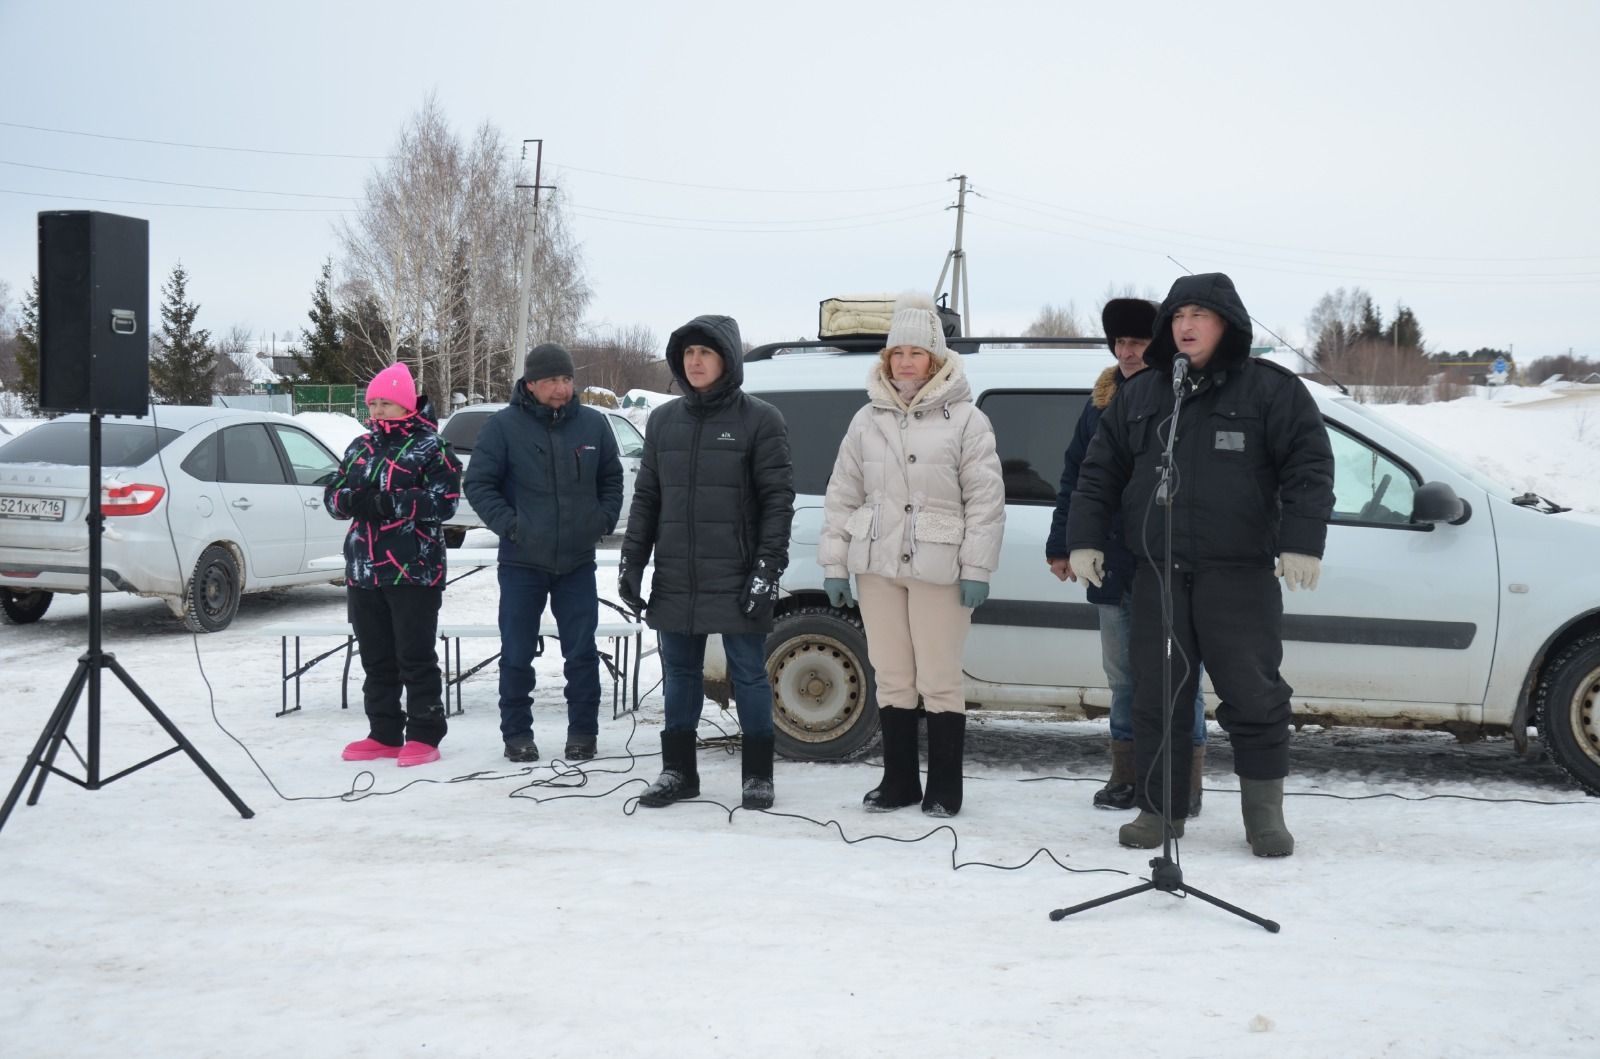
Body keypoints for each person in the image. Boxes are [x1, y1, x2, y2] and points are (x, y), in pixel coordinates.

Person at [1066, 273, 1333, 856]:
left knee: (1255, 696)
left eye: (1200, 315)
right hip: (1157, 576)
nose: (1186, 325)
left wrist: (1302, 541)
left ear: (1227, 324)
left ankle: (1264, 817)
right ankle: (1160, 812)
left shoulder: (1271, 390)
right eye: (1178, 315)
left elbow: (1309, 467)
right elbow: (1098, 473)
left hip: (1237, 577)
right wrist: (1082, 538)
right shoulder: (1142, 393)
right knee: (1155, 697)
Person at [818, 292, 1005, 817]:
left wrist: (977, 569)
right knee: (893, 674)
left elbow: (987, 502)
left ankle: (945, 788)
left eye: (916, 353)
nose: (905, 362)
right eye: (896, 352)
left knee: (939, 678)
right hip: (876, 565)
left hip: (939, 567)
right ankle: (899, 782)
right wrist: (835, 563)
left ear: (936, 359)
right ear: (887, 358)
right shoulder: (866, 419)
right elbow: (842, 494)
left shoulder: (967, 421)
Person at [619, 314, 794, 811]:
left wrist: (767, 568)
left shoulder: (761, 419)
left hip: (737, 572)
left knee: (750, 675)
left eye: (706, 353)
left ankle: (758, 775)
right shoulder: (663, 420)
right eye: (688, 353)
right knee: (679, 674)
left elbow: (777, 502)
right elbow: (647, 498)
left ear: (727, 360)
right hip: (678, 574)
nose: (695, 361)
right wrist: (632, 562)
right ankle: (678, 772)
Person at [1045, 298, 1210, 816]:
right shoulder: (1098, 404)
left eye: (1137, 342)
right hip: (1111, 564)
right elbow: (1076, 478)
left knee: (1179, 676)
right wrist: (1062, 543)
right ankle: (1127, 776)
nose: (1127, 351)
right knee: (1123, 678)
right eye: (1119, 343)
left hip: (1167, 564)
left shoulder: (1178, 397)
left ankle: (1186, 780)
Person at [464, 343, 624, 763]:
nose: (561, 389)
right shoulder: (503, 427)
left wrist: (602, 519)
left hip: (576, 562)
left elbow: (612, 478)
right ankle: (517, 734)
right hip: (521, 562)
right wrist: (512, 526)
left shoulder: (593, 425)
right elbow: (478, 485)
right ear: (531, 383)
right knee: (517, 652)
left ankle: (583, 734)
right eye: (552, 380)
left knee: (582, 652)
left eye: (567, 379)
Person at [327, 361, 463, 768]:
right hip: (364, 571)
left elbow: (445, 503)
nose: (379, 410)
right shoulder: (359, 446)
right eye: (374, 403)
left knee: (414, 656)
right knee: (375, 657)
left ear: (406, 404)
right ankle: (384, 731)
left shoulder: (432, 447)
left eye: (387, 402)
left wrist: (392, 502)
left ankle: (424, 733)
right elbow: (333, 493)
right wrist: (349, 500)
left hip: (413, 570)